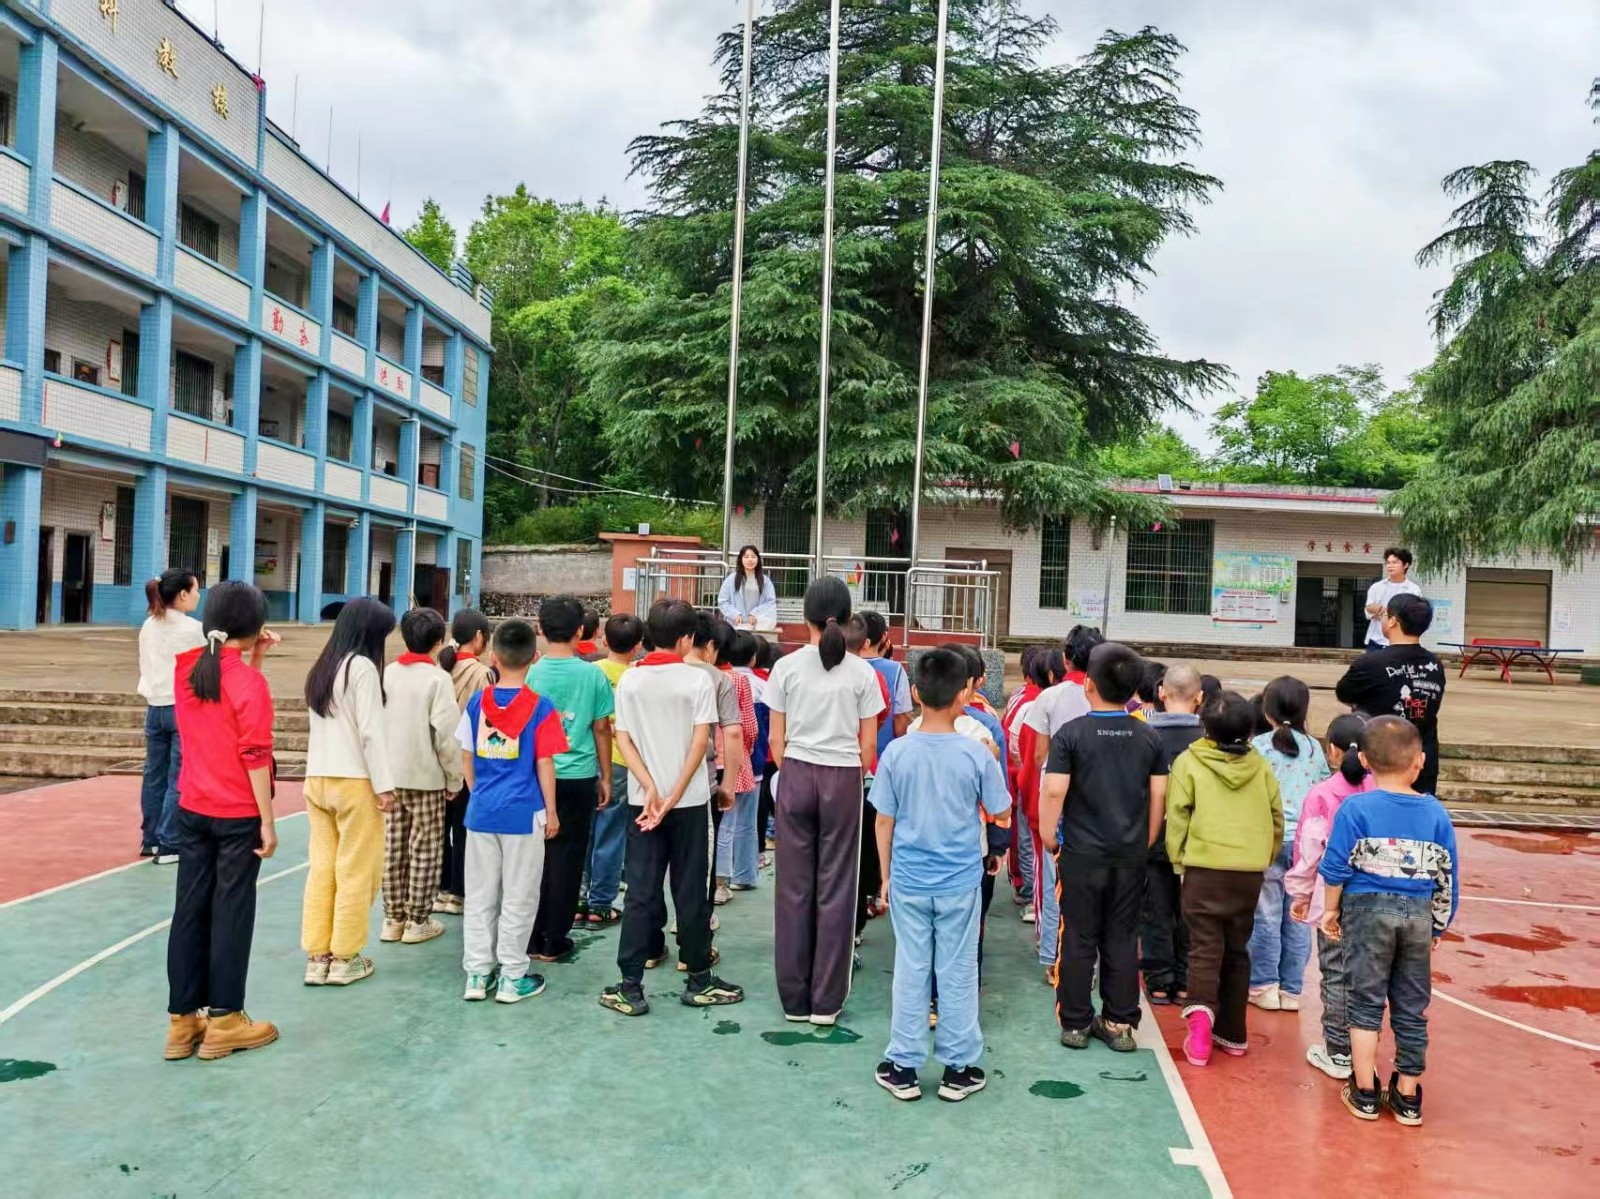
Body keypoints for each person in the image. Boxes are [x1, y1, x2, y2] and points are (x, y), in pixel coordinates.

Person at [871, 648, 1011, 1103]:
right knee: (956, 969)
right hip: (960, 880)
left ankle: (903, 1067)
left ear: (915, 693)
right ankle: (958, 1068)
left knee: (911, 969)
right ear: (963, 694)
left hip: (910, 878)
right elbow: (1002, 810)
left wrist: (887, 877)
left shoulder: (896, 753)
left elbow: (883, 821)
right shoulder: (976, 753)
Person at [602, 599, 745, 1015]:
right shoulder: (698, 680)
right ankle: (699, 978)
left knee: (641, 893)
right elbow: (701, 743)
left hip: (642, 804)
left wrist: (650, 788)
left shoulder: (630, 679)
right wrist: (676, 794)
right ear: (686, 639)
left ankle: (630, 986)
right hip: (689, 803)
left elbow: (622, 739)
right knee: (691, 890)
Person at [1319, 716, 1458, 1126]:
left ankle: (1365, 1090)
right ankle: (1408, 1096)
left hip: (1365, 910)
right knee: (1412, 1006)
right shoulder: (1436, 813)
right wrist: (1437, 924)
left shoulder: (1355, 808)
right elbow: (1447, 875)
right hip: (1417, 913)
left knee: (1364, 1000)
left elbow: (1335, 866)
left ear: (1363, 759)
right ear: (1420, 760)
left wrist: (1330, 909)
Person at [165, 581, 279, 1061]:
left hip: (193, 807)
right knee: (231, 912)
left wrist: (254, 659)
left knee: (189, 912)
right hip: (236, 814)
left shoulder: (187, 671)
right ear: (256, 629)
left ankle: (182, 1022)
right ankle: (227, 1019)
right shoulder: (249, 684)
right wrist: (268, 822)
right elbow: (253, 752)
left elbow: (220, 696)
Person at [766, 577, 885, 1025]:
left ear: (805, 617)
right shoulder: (862, 673)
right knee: (838, 887)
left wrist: (795, 769)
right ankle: (826, 1002)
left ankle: (794, 1000)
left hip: (796, 772)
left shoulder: (786, 668)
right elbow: (868, 746)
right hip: (844, 778)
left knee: (793, 889)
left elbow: (776, 740)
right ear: (849, 618)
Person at [1040, 642, 1168, 1052]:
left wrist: (1047, 835)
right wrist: (1145, 838)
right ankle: (1118, 1022)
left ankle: (1075, 1023)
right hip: (1130, 853)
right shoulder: (1148, 735)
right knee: (1122, 936)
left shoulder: (1071, 735)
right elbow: (1158, 795)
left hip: (1080, 853)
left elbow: (1055, 790)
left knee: (1076, 935)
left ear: (1088, 684)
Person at [1164, 691, 1283, 1066]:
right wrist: (1263, 856)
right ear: (1251, 731)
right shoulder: (1261, 765)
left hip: (1204, 867)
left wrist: (1178, 861)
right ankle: (1232, 1033)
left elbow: (1178, 814)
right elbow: (1276, 816)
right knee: (1237, 948)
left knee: (1203, 946)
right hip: (1248, 870)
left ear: (1204, 725)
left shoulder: (1188, 762)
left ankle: (1200, 1028)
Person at [456, 619, 569, 1003]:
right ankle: (511, 976)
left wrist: (479, 795)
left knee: (480, 894)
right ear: (533, 659)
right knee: (520, 896)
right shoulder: (541, 708)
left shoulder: (476, 703)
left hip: (482, 813)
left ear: (492, 656)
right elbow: (545, 764)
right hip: (523, 814)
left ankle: (476, 974)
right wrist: (551, 812)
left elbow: (466, 758)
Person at [301, 598, 397, 988]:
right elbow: (371, 732)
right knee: (357, 869)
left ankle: (317, 954)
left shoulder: (323, 665)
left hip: (317, 779)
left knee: (322, 867)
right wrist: (385, 785)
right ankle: (346, 957)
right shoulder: (361, 668)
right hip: (355, 781)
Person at [526, 594, 615, 962]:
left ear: (541, 630)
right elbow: (601, 730)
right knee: (568, 857)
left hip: (535, 775)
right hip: (579, 776)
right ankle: (553, 939)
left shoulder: (532, 673)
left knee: (535, 858)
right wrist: (606, 777)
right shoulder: (592, 674)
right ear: (581, 631)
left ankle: (530, 935)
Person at [1286, 713, 1372, 1081]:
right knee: (1367, 976)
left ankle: (1337, 1050)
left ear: (1332, 751)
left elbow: (1308, 854)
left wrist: (1301, 895)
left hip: (1330, 903)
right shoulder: (1380, 792)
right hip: (1373, 900)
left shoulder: (1322, 795)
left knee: (1334, 974)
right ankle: (1364, 1046)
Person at [379, 608, 465, 947]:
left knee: (394, 847)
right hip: (426, 777)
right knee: (426, 850)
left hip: (391, 774)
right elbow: (446, 735)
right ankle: (418, 919)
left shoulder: (387, 673)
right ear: (438, 641)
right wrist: (454, 779)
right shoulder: (438, 679)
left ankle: (392, 917)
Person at [1024, 624, 1102, 981]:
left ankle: (1052, 958)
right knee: (1094, 882)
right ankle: (1090, 958)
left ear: (1066, 657)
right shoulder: (1105, 695)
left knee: (1055, 878)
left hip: (1055, 792)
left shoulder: (1050, 697)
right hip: (1097, 796)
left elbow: (1040, 753)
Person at [1247, 676, 1329, 1012]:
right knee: (1298, 914)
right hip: (1306, 845)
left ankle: (1264, 985)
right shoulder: (1315, 747)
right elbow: (1323, 790)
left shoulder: (1258, 748)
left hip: (1267, 837)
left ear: (1266, 710)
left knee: (1265, 913)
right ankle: (1292, 990)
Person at [1334, 594, 1445, 795]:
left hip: (1379, 762)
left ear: (1393, 621)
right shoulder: (1435, 666)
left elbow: (1343, 692)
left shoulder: (1371, 664)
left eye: (1386, 615)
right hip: (1420, 765)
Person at [1142, 664, 1206, 1005]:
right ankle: (1184, 979)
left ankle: (1158, 980)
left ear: (1161, 693)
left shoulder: (1144, 733)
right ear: (1200, 697)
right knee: (1189, 911)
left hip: (1153, 835)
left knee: (1154, 909)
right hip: (1198, 841)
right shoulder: (1209, 738)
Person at [138, 569, 206, 864]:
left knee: (154, 774)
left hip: (155, 707)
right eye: (195, 590)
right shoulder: (194, 629)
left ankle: (150, 839)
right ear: (182, 595)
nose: (198, 595)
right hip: (182, 708)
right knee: (178, 776)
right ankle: (169, 843)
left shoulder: (148, 626)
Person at [586, 612, 644, 927]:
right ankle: (601, 903)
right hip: (622, 762)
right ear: (638, 646)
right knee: (611, 834)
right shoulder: (636, 678)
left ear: (604, 640)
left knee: (584, 831)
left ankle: (578, 899)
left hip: (587, 760)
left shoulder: (591, 672)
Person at [436, 609, 494, 915]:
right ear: (480, 637)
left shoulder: (439, 669)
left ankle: (441, 888)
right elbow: (488, 722)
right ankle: (459, 891)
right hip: (467, 763)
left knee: (439, 830)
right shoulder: (481, 674)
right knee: (463, 831)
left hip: (438, 762)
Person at [714, 625, 761, 904]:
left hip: (702, 759)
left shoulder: (700, 674)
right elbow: (748, 726)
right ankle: (721, 882)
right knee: (728, 825)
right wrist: (747, 748)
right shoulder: (738, 681)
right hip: (732, 757)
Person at [1362, 547, 1422, 650]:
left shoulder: (1414, 590)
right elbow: (1369, 610)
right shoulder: (1376, 587)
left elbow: (1410, 616)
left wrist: (1382, 611)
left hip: (1402, 643)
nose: (1390, 566)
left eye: (1395, 562)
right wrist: (1387, 613)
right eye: (1388, 563)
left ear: (1406, 565)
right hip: (1376, 642)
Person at [717, 544, 778, 630]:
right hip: (736, 626)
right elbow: (722, 601)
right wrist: (735, 614)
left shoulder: (765, 581)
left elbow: (770, 602)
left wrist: (755, 613)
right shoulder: (731, 579)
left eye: (753, 557)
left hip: (758, 626)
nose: (750, 560)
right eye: (746, 557)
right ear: (740, 559)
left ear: (758, 559)